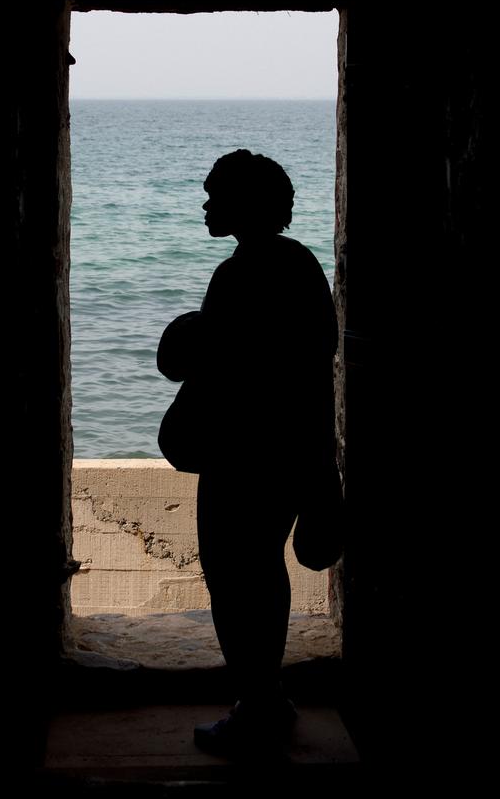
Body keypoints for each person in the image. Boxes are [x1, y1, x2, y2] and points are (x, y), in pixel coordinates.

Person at [156, 150, 338, 760]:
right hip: (282, 453)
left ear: (246, 204)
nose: (207, 205)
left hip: (243, 459)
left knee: (236, 581)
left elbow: (212, 364)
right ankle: (266, 697)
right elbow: (311, 373)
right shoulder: (299, 264)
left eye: (217, 196)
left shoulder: (242, 273)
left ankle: (257, 706)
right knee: (260, 575)